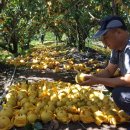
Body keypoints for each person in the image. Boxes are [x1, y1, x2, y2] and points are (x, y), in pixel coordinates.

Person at [81, 15, 130, 115]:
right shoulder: (117, 48)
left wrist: (98, 80)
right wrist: (92, 78)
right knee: (109, 81)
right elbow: (108, 71)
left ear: (119, 32)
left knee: (119, 94)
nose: (104, 42)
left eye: (106, 37)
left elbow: (128, 80)